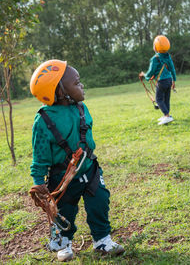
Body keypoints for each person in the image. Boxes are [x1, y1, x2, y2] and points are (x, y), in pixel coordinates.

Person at [29, 60, 124, 262]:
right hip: (62, 179)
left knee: (100, 202)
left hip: (89, 170)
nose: (81, 86)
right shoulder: (43, 120)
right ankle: (63, 241)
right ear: (59, 90)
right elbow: (39, 155)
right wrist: (38, 180)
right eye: (77, 82)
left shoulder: (82, 108)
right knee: (65, 212)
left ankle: (102, 240)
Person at [139, 35, 176, 125]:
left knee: (158, 99)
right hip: (169, 80)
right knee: (166, 99)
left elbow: (151, 72)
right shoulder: (168, 56)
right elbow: (172, 69)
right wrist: (174, 81)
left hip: (162, 81)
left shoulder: (155, 58)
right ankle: (167, 115)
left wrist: (144, 75)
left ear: (156, 46)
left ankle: (167, 116)